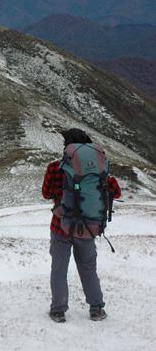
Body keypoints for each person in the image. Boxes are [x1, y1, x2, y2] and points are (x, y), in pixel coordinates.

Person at [42, 128, 121, 323]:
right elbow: (116, 192)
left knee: (59, 267)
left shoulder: (55, 167)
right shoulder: (99, 171)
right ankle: (96, 309)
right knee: (87, 268)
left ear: (67, 147)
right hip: (88, 226)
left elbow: (46, 193)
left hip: (60, 225)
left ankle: (58, 310)